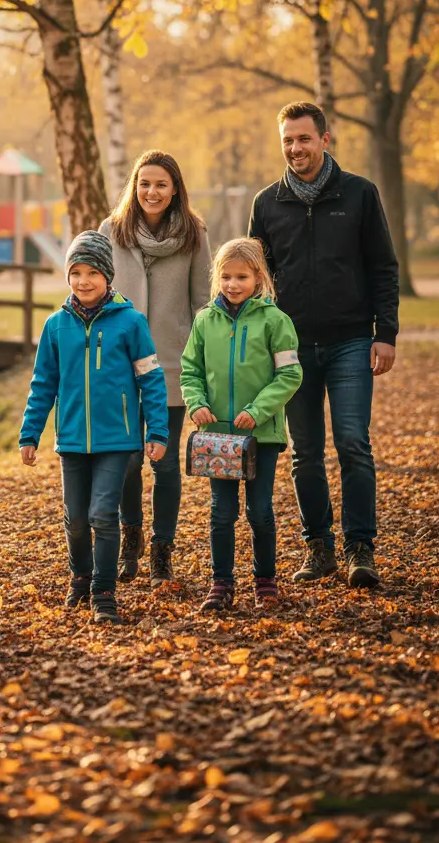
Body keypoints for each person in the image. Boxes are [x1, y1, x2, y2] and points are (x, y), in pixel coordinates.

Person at [249, 101, 399, 589]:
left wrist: (386, 334)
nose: (296, 148)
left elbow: (383, 266)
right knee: (304, 452)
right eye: (288, 140)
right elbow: (257, 280)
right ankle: (320, 548)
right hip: (291, 349)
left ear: (325, 140)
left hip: (351, 341)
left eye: (304, 139)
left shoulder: (358, 194)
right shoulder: (266, 203)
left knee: (353, 444)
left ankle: (361, 549)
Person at [19, 231, 169, 625]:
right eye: (76, 272)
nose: (84, 281)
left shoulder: (131, 322)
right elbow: (43, 384)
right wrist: (30, 433)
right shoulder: (56, 326)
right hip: (71, 440)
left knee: (104, 513)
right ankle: (80, 579)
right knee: (76, 518)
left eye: (92, 272)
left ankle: (103, 591)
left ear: (108, 275)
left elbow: (151, 380)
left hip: (116, 440)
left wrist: (157, 430)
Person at [99, 150, 211, 587]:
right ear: (134, 186)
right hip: (120, 365)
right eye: (145, 183)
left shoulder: (193, 233)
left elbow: (203, 300)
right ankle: (132, 538)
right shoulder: (112, 230)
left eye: (161, 184)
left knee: (163, 464)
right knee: (126, 460)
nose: (152, 192)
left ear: (175, 188)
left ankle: (163, 550)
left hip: (172, 363)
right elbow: (97, 291)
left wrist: (201, 357)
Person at [180, 238, 303, 611]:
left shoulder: (275, 321)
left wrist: (259, 409)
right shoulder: (204, 321)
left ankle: (265, 580)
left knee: (260, 510)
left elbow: (289, 374)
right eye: (226, 276)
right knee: (221, 512)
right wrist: (196, 403)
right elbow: (191, 371)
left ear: (258, 277)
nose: (233, 284)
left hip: (261, 436)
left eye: (242, 276)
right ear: (217, 278)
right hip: (218, 438)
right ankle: (221, 583)